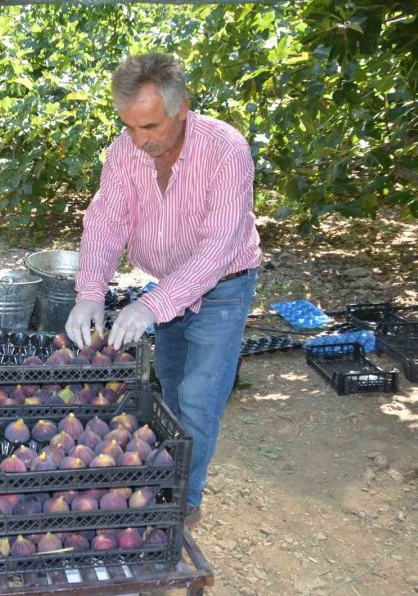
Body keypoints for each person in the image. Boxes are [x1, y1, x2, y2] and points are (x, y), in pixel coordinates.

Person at [65, 53, 261, 528]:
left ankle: (183, 501)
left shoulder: (226, 150)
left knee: (198, 397)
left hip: (223, 287)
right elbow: (107, 221)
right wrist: (90, 290)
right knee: (171, 390)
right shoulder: (124, 150)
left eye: (149, 126)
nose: (139, 139)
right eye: (129, 126)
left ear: (182, 108)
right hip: (166, 286)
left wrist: (153, 306)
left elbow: (218, 249)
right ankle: (165, 476)